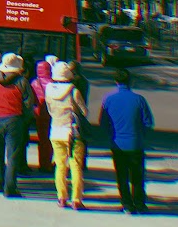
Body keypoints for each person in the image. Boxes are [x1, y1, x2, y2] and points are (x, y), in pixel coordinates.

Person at [99, 68, 155, 214]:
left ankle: (127, 204)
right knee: (137, 176)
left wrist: (111, 135)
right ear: (131, 81)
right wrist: (141, 135)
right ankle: (140, 204)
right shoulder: (139, 99)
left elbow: (103, 123)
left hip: (117, 144)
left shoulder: (108, 99)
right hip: (136, 143)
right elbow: (148, 122)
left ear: (116, 81)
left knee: (121, 176)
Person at [0, 53, 34, 198]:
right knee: (13, 156)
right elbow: (29, 104)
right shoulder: (22, 82)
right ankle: (10, 188)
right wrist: (24, 120)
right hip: (14, 119)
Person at [46, 61, 89, 210]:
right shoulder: (73, 91)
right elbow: (84, 111)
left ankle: (61, 197)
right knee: (75, 165)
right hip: (72, 132)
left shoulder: (49, 89)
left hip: (56, 130)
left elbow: (49, 109)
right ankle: (76, 199)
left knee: (60, 165)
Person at [31, 60, 54, 174]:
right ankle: (48, 163)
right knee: (50, 140)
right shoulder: (53, 83)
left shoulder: (34, 82)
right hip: (52, 114)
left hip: (39, 114)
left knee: (42, 140)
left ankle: (42, 163)